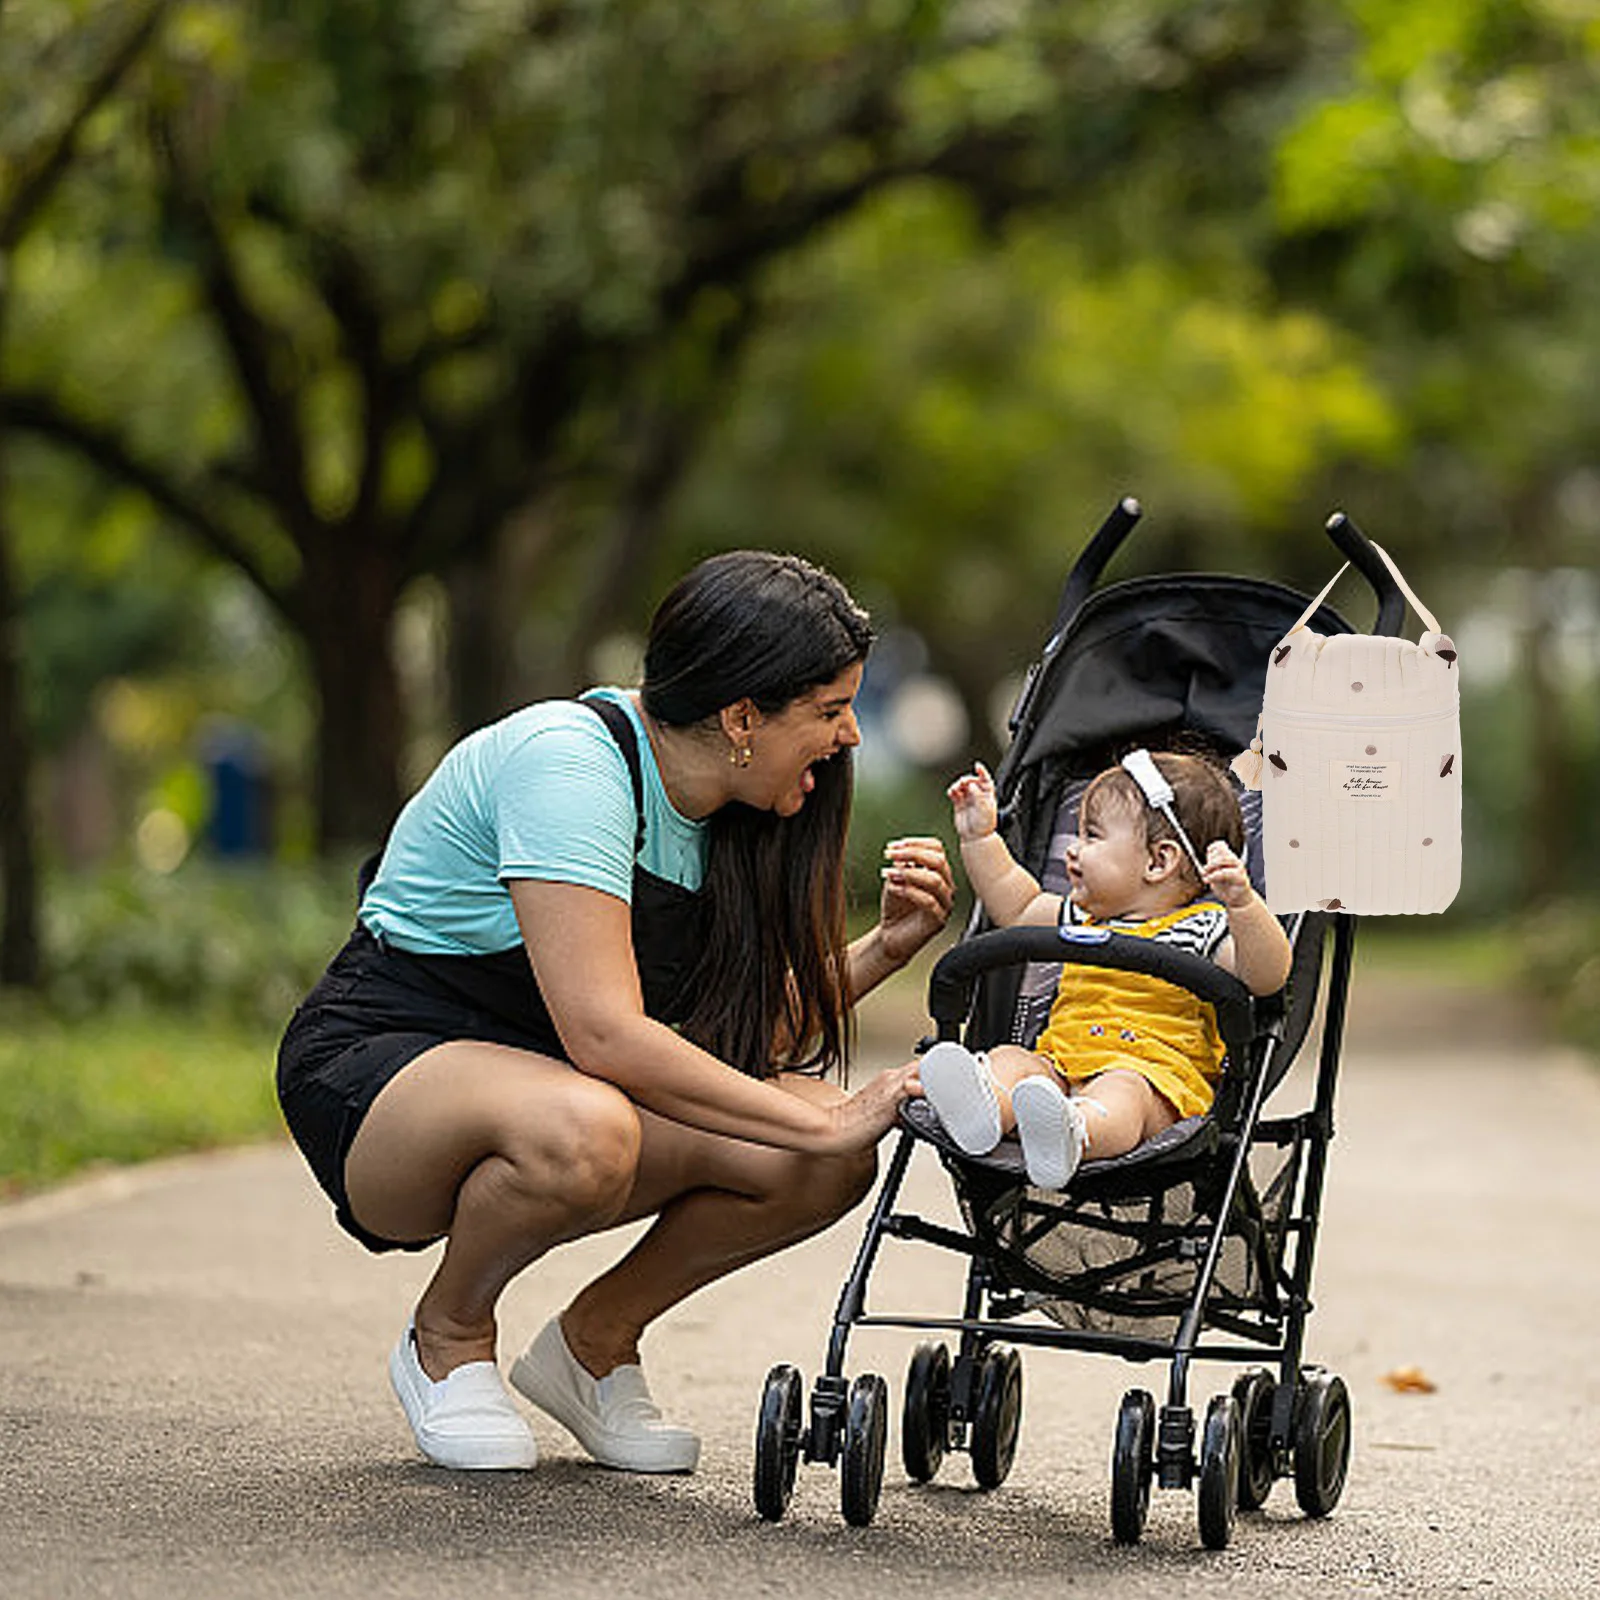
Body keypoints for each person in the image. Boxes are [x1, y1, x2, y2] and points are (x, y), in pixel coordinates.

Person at [276, 552, 954, 1473]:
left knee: (809, 1164)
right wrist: (825, 1120)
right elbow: (607, 1036)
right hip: (388, 1074)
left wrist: (884, 948)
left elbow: (737, 1041)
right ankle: (446, 1336)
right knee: (606, 1128)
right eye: (831, 712)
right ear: (743, 716)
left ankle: (590, 1349)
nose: (850, 739)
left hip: (560, 1087)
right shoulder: (573, 765)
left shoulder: (733, 812)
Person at [918, 751, 1290, 1189]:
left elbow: (1266, 976)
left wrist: (1244, 906)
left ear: (1158, 862)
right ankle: (982, 1111)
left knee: (1122, 1092)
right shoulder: (1084, 920)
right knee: (1012, 1061)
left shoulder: (1202, 929)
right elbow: (1015, 906)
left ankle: (1074, 1132)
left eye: (1092, 836)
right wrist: (980, 837)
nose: (1073, 850)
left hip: (1153, 1081)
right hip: (1060, 1067)